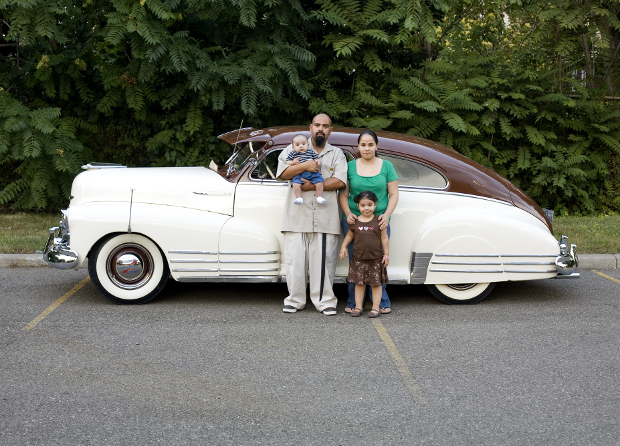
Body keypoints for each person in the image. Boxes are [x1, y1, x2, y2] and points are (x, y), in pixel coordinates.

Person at [276, 114, 348, 315]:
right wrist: (305, 166)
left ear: (330, 130)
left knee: (324, 262)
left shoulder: (337, 154)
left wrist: (308, 187)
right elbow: (283, 173)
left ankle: (325, 302)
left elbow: (340, 181)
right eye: (317, 125)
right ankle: (295, 300)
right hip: (296, 216)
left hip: (325, 217)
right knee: (295, 261)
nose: (321, 129)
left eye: (325, 126)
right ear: (311, 127)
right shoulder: (294, 147)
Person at [338, 130, 398, 314]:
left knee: (378, 262)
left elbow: (394, 194)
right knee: (356, 263)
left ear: (376, 146)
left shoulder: (387, 166)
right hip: (354, 222)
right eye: (363, 144)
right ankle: (353, 302)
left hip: (379, 222)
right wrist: (348, 213)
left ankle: (380, 303)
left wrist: (386, 215)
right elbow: (343, 194)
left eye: (370, 144)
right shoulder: (350, 166)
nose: (367, 148)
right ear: (358, 146)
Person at [339, 191, 389, 317]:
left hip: (376, 259)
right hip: (358, 259)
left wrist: (386, 255)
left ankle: (376, 308)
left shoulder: (379, 221)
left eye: (369, 205)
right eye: (363, 205)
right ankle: (357, 307)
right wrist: (344, 246)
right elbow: (350, 234)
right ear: (358, 206)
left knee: (376, 284)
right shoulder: (355, 222)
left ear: (375, 205)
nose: (366, 208)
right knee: (359, 284)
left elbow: (384, 239)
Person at [285, 134, 326, 205]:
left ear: (308, 144)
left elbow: (317, 159)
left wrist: (317, 162)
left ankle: (319, 197)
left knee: (319, 183)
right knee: (295, 184)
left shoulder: (311, 152)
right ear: (293, 147)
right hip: (299, 174)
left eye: (303, 144)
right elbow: (287, 162)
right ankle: (299, 198)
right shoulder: (293, 153)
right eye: (297, 145)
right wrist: (293, 162)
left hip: (313, 173)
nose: (301, 146)